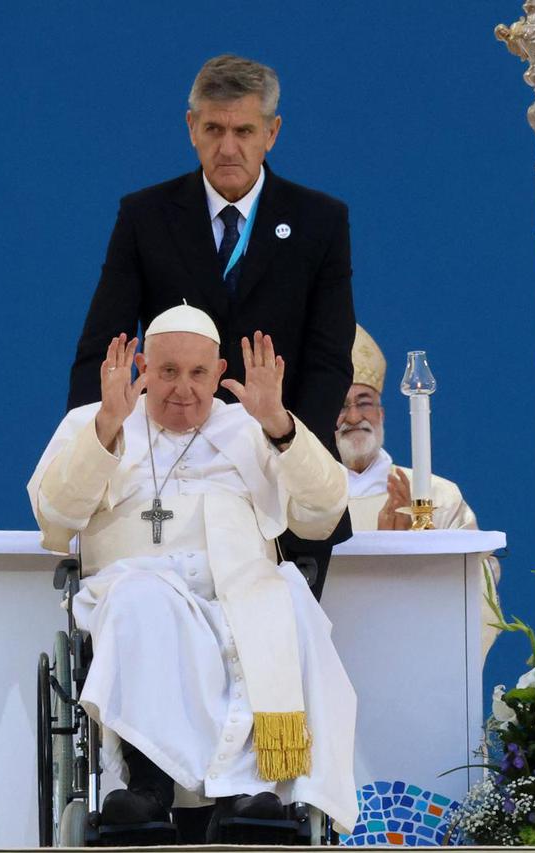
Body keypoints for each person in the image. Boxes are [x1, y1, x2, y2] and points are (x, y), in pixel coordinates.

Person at [29, 304, 357, 839]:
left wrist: (278, 422)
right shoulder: (96, 421)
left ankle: (254, 792)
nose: (183, 389)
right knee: (144, 600)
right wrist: (106, 427)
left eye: (198, 373)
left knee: (283, 603)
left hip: (241, 587)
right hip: (135, 584)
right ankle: (148, 785)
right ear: (142, 367)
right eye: (167, 372)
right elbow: (55, 516)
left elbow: (322, 514)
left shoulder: (251, 429)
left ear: (219, 371)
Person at [66, 53, 355, 598]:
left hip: (278, 485)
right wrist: (90, 455)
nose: (228, 147)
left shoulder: (320, 221)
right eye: (214, 129)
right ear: (191, 128)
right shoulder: (144, 217)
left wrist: (287, 452)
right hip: (161, 487)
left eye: (244, 130)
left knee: (271, 664)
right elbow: (101, 348)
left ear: (272, 132)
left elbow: (328, 357)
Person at [336, 324, 501, 654]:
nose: (353, 416)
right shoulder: (308, 498)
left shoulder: (439, 496)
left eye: (364, 402)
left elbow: (478, 586)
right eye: (341, 405)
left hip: (420, 659)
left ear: (381, 413)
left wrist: (418, 551)